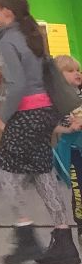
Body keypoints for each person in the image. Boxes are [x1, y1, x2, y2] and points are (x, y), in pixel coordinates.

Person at [0, 0, 80, 264]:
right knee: (42, 170)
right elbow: (38, 73)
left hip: (26, 113)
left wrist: (3, 115)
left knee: (5, 168)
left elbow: (20, 84)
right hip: (45, 112)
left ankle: (25, 235)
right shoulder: (33, 35)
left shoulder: (8, 40)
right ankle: (64, 239)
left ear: (7, 11)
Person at [53, 55, 82, 239]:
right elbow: (49, 124)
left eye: (77, 69)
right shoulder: (56, 100)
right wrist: (69, 127)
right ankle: (81, 226)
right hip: (72, 151)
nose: (77, 73)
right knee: (79, 189)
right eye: (70, 71)